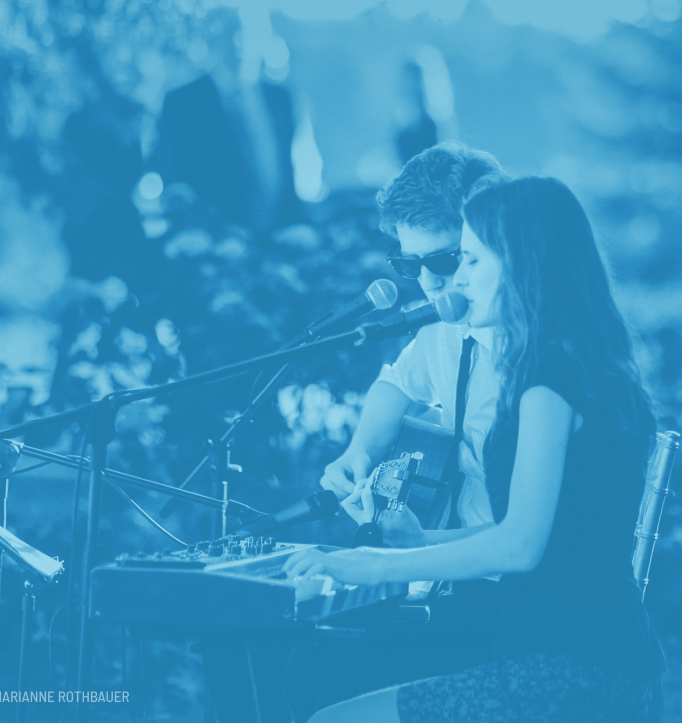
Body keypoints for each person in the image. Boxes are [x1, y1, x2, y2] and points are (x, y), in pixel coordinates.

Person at [284, 177, 665, 722]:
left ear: (521, 264)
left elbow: (520, 546)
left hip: (570, 671)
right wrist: (424, 542)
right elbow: (548, 530)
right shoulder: (580, 361)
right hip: (599, 657)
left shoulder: (547, 377)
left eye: (472, 261)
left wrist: (369, 566)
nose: (457, 280)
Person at [281, 143, 508, 720]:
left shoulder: (536, 364)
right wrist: (361, 451)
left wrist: (395, 560)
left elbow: (523, 545)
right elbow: (394, 384)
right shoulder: (448, 330)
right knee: (311, 654)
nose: (427, 284)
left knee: (330, 676)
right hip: (459, 578)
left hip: (501, 604)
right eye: (409, 266)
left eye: (443, 261)